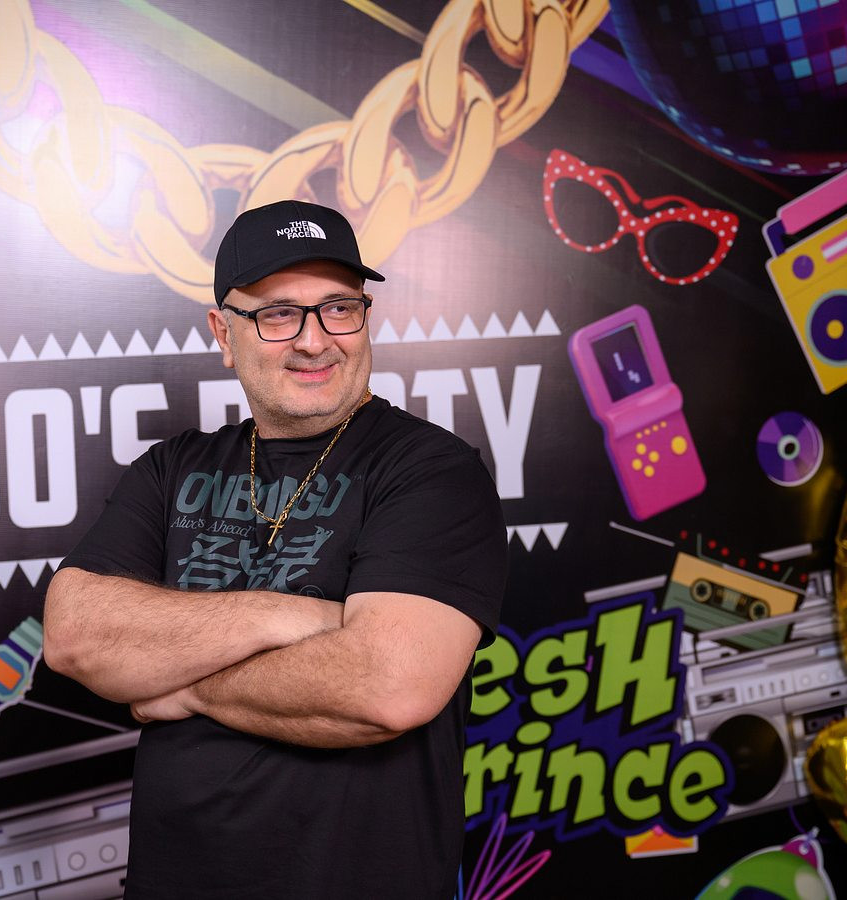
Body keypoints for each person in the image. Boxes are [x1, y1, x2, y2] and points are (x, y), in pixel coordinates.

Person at [43, 199, 507, 899]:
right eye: (278, 314)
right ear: (224, 334)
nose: (315, 341)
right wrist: (288, 617)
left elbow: (387, 687)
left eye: (338, 309)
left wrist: (184, 684)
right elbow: (74, 634)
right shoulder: (171, 470)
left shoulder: (431, 471)